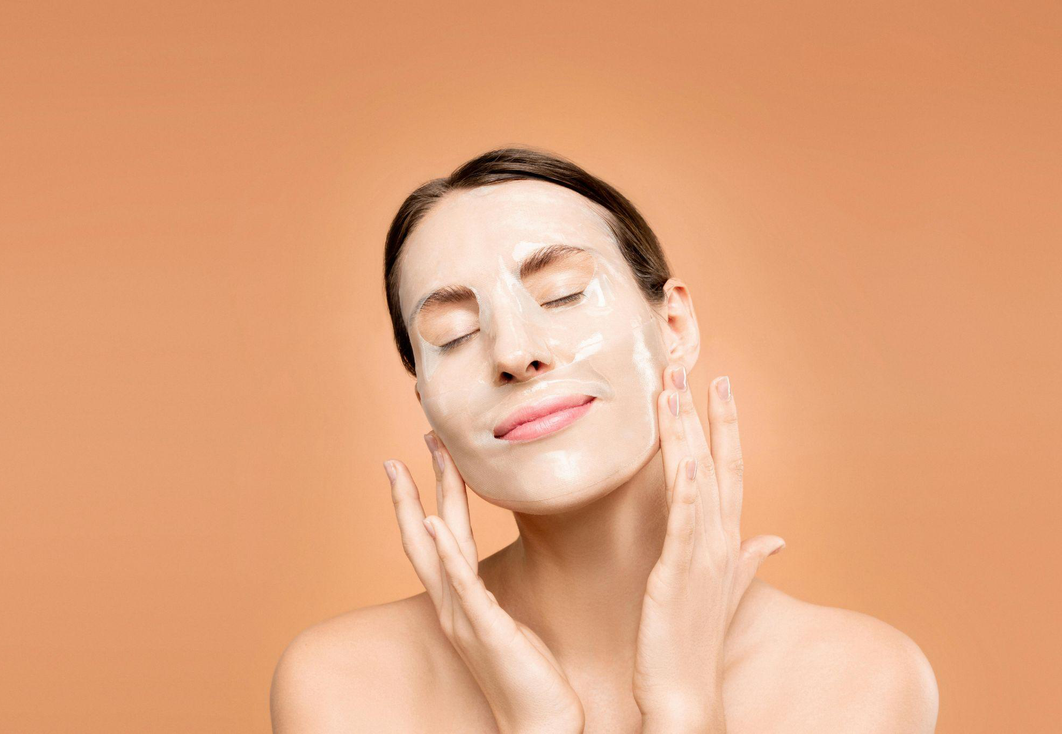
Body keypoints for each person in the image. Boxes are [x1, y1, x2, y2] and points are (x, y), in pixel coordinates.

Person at [270, 147, 939, 733]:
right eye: (452, 334)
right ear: (424, 398)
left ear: (673, 323)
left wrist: (684, 712)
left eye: (561, 294)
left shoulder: (858, 679)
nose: (514, 352)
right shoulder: (345, 684)